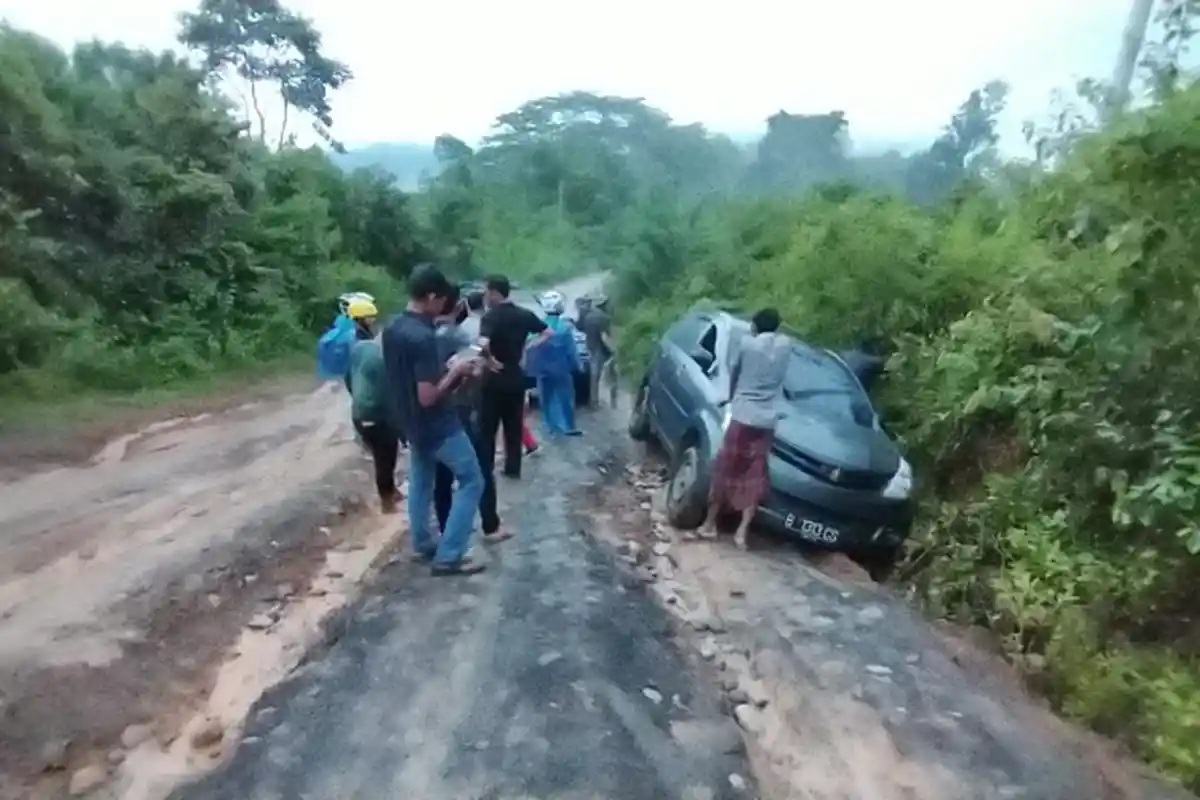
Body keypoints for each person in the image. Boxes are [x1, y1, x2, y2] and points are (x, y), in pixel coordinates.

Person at [382, 265, 488, 576]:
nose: (445, 306)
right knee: (472, 479)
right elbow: (428, 396)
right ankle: (450, 555)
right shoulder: (422, 336)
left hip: (409, 423)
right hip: (437, 424)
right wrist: (457, 371)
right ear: (429, 297)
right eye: (441, 299)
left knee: (422, 481)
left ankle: (423, 543)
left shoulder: (393, 329)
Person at [700, 307, 790, 551]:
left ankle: (709, 525)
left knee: (726, 468)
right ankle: (742, 533)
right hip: (767, 420)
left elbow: (735, 374)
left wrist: (728, 398)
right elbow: (781, 338)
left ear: (754, 326)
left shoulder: (747, 344)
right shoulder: (785, 346)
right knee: (755, 474)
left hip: (743, 415)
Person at [432, 285, 508, 543]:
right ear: (457, 305)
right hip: (462, 410)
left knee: (441, 476)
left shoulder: (424, 334)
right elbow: (474, 372)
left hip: (432, 411)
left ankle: (444, 529)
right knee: (479, 469)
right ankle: (490, 526)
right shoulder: (461, 335)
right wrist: (485, 366)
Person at [477, 275, 551, 480]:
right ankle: (513, 468)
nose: (485, 296)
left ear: (494, 292)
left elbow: (482, 344)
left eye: (486, 292)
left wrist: (490, 361)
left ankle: (486, 469)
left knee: (487, 429)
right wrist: (529, 346)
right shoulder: (524, 314)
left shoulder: (490, 317)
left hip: (493, 379)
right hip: (516, 376)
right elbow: (548, 332)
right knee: (513, 426)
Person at [342, 297, 402, 513]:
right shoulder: (376, 353)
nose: (374, 323)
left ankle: (390, 490)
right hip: (375, 413)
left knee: (386, 452)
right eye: (371, 319)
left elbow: (348, 377)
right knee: (384, 456)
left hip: (360, 411)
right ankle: (386, 499)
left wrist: (357, 397)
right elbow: (390, 391)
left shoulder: (359, 347)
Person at [526, 290, 582, 437]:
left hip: (542, 370)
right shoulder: (564, 328)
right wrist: (577, 365)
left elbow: (530, 348)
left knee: (546, 399)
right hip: (562, 370)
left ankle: (551, 427)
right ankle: (569, 427)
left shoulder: (538, 327)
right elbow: (571, 351)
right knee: (566, 398)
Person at [579, 293, 618, 408]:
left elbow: (580, 328)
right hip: (602, 349)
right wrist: (613, 350)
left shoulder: (588, 316)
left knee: (594, 376)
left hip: (590, 346)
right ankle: (613, 402)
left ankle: (593, 401)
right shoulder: (604, 317)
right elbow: (605, 336)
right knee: (611, 375)